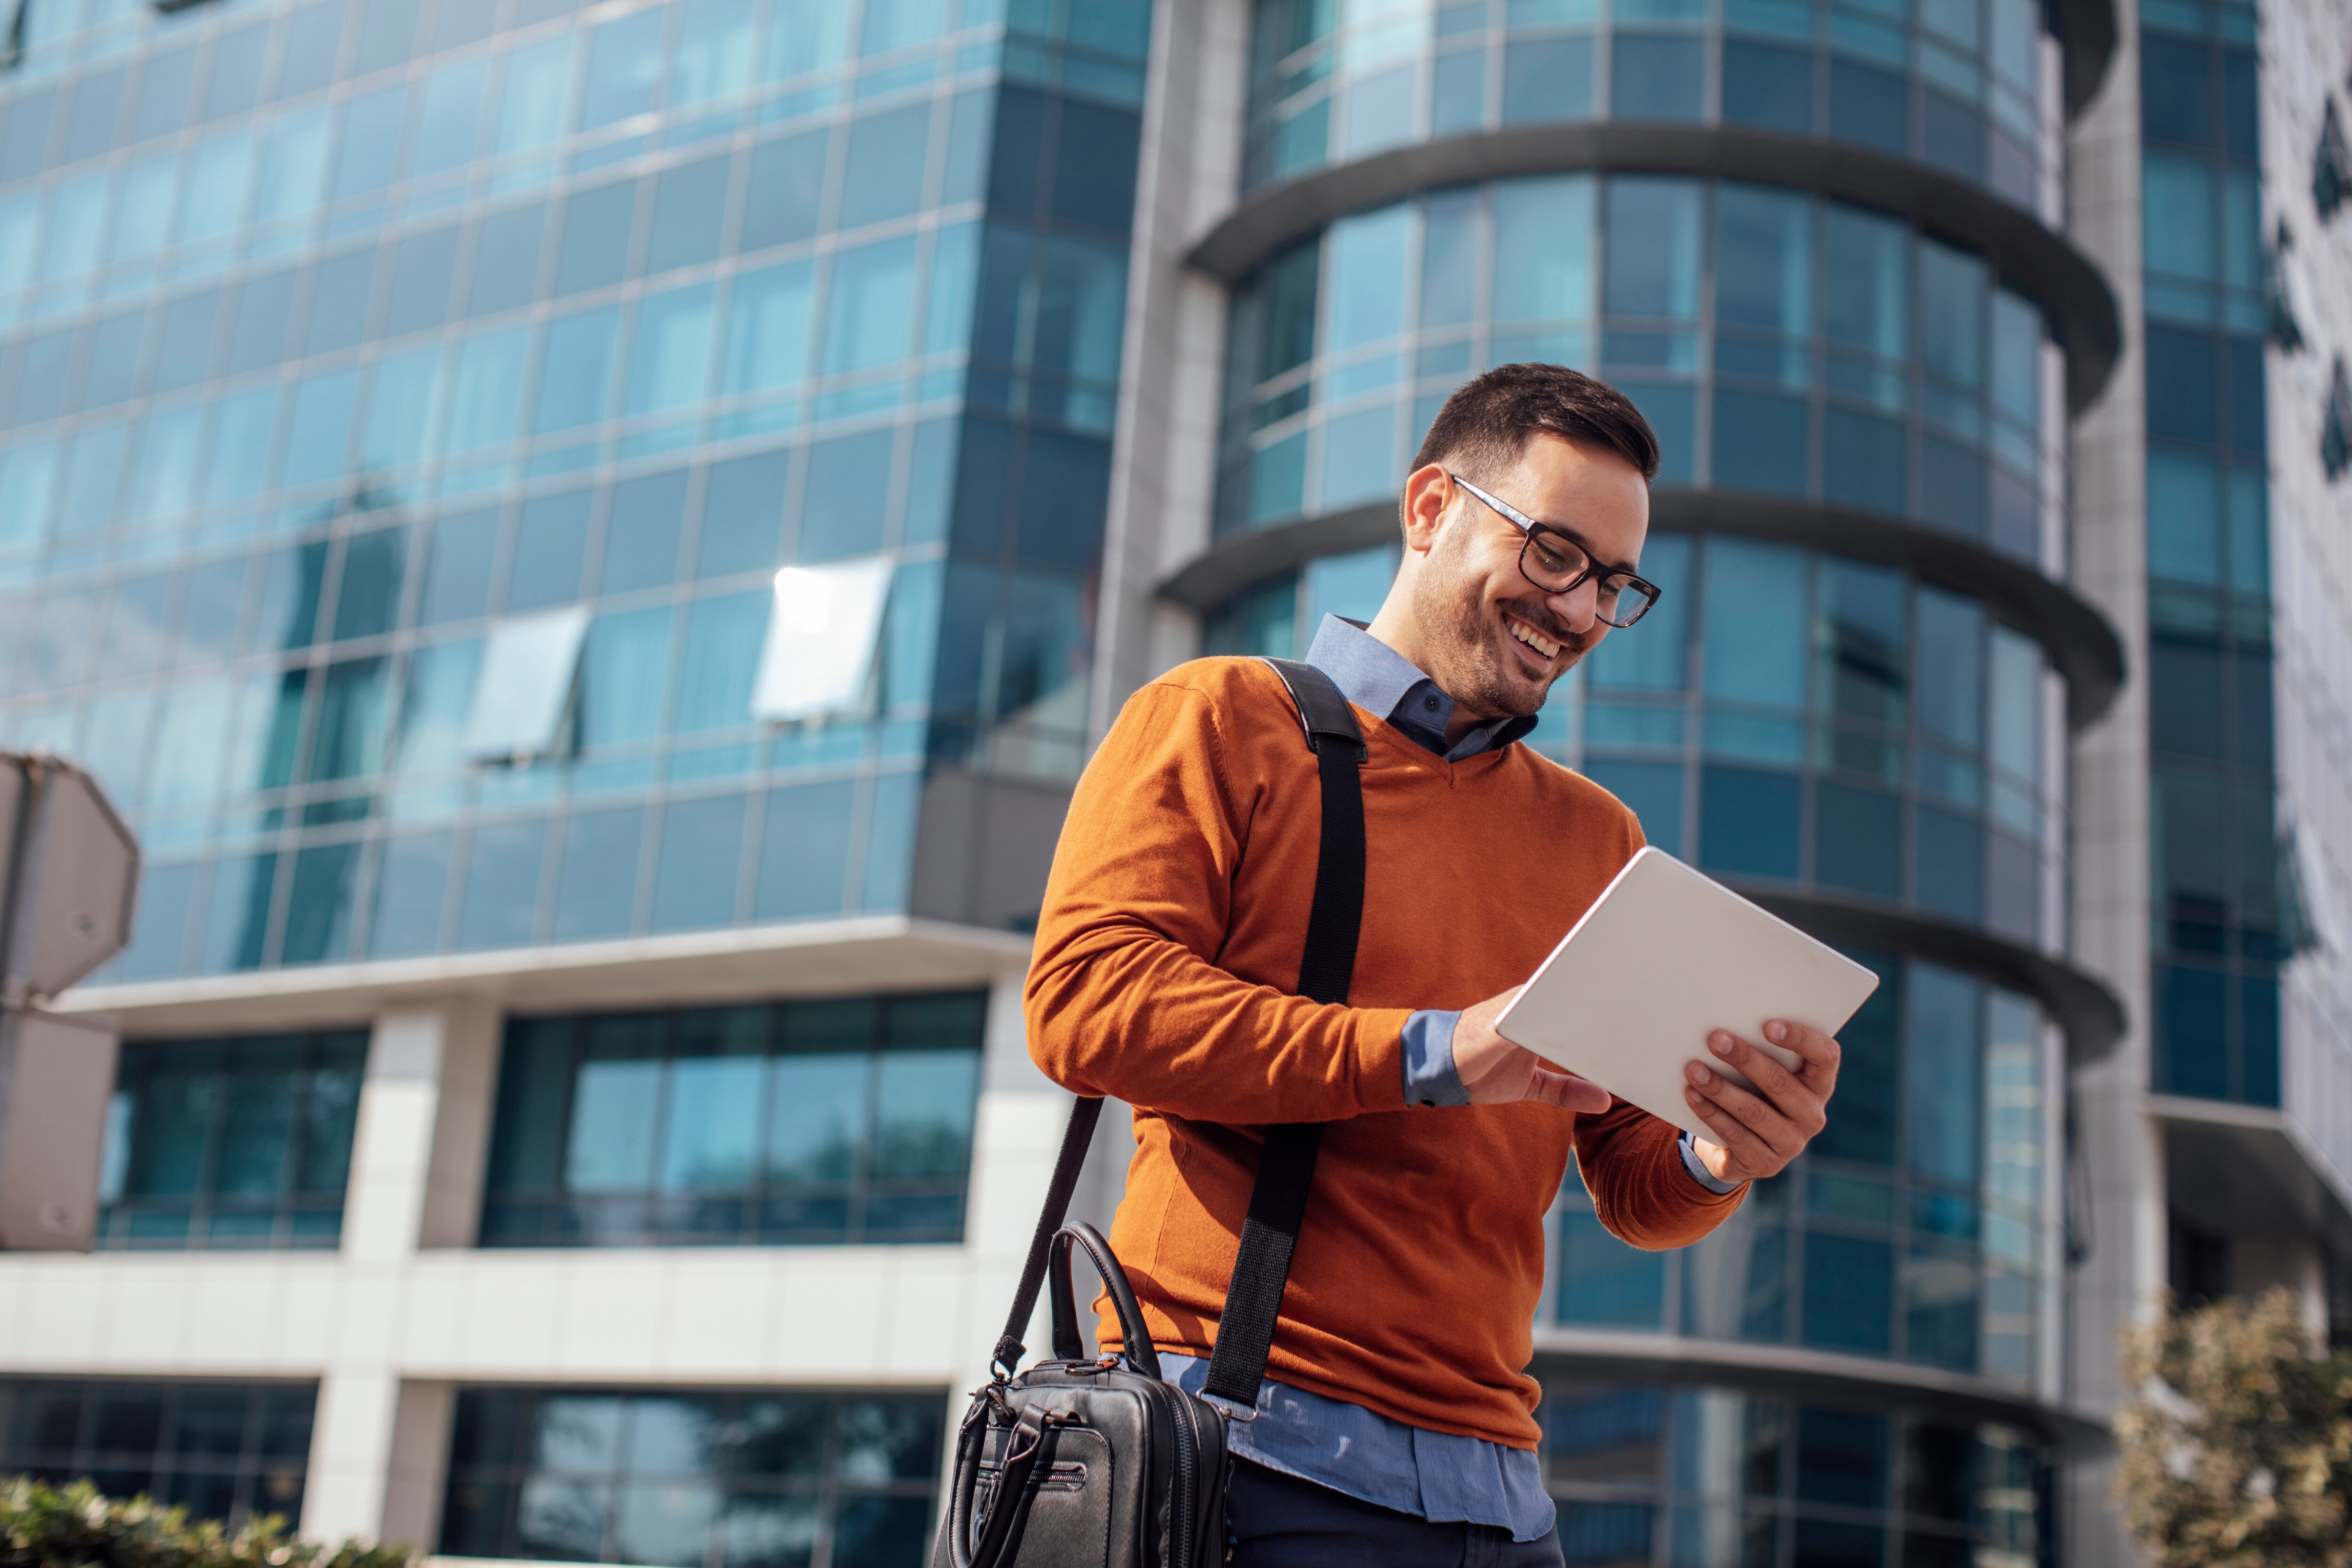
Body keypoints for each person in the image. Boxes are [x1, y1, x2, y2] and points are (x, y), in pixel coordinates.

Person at [1025, 363, 1843, 1565]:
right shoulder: (1219, 716)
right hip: (1246, 1450)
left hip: (1497, 1496)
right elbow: (1086, 1005)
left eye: (1613, 583)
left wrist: (1719, 1150)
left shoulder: (1595, 837)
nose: (1577, 611)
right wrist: (1440, 1048)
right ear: (1428, 508)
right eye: (1555, 552)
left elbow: (1628, 1183)